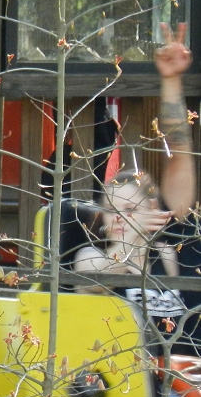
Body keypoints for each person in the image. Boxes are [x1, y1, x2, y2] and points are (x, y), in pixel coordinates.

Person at [73, 22, 195, 338]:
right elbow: (97, 276)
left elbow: (179, 152)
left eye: (129, 209)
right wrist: (131, 242)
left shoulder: (172, 251)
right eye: (112, 210)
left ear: (152, 208)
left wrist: (171, 79)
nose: (119, 219)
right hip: (129, 380)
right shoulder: (92, 256)